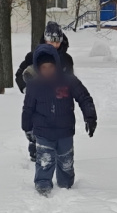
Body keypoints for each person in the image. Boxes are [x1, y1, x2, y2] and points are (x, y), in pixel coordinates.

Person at [21, 44, 97, 196]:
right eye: (44, 67)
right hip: (43, 131)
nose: (48, 70)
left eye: (51, 66)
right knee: (45, 160)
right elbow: (28, 109)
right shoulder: (34, 86)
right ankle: (43, 184)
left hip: (65, 130)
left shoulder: (68, 81)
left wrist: (90, 116)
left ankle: (66, 185)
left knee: (66, 161)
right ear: (38, 67)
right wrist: (27, 128)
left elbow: (84, 97)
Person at [16, 21, 75, 161]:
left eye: (56, 42)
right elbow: (20, 75)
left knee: (58, 129)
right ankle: (35, 151)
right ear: (45, 39)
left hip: (60, 101)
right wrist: (28, 89)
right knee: (38, 125)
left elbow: (70, 80)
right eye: (50, 41)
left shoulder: (66, 60)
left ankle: (58, 152)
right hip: (39, 100)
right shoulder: (33, 56)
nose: (53, 45)